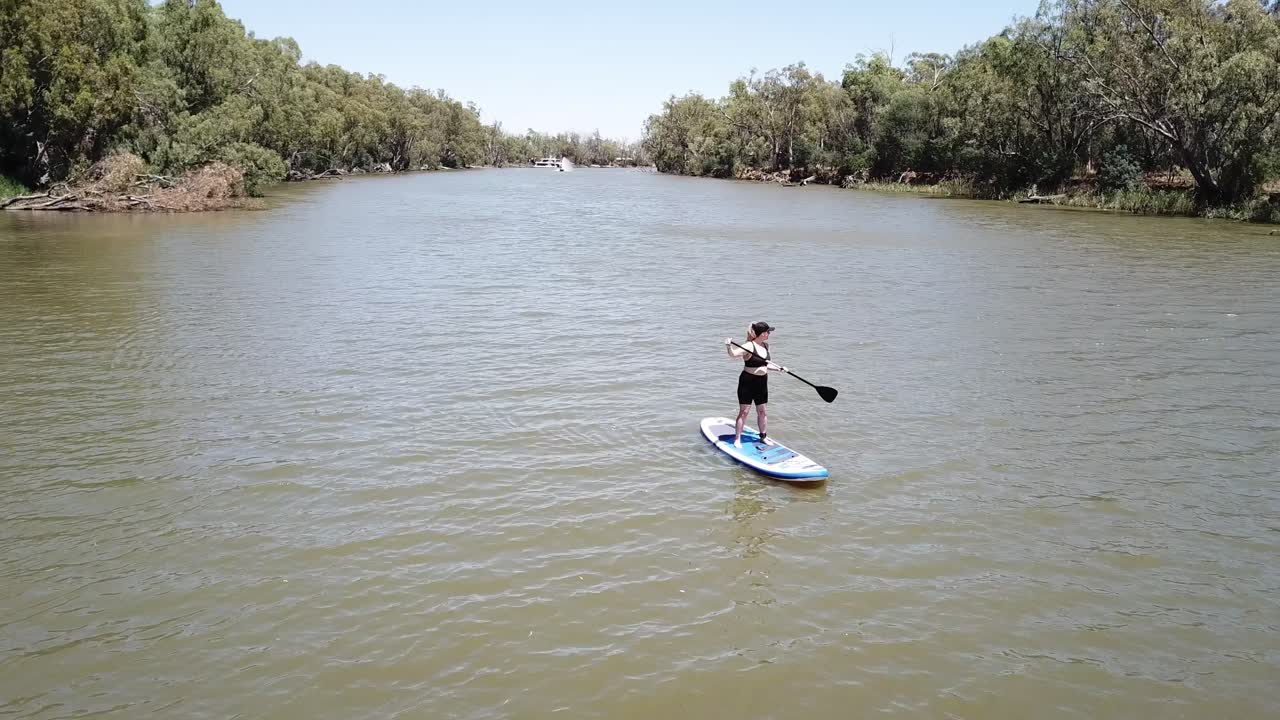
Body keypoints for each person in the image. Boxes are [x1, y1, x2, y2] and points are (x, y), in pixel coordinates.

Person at [724, 321, 787, 448]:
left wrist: (779, 369)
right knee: (744, 412)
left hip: (762, 382)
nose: (769, 334)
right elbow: (733, 355)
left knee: (762, 411)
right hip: (747, 382)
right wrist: (728, 346)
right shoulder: (749, 346)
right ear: (762, 333)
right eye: (768, 332)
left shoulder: (766, 346)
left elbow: (766, 364)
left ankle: (763, 437)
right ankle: (737, 439)